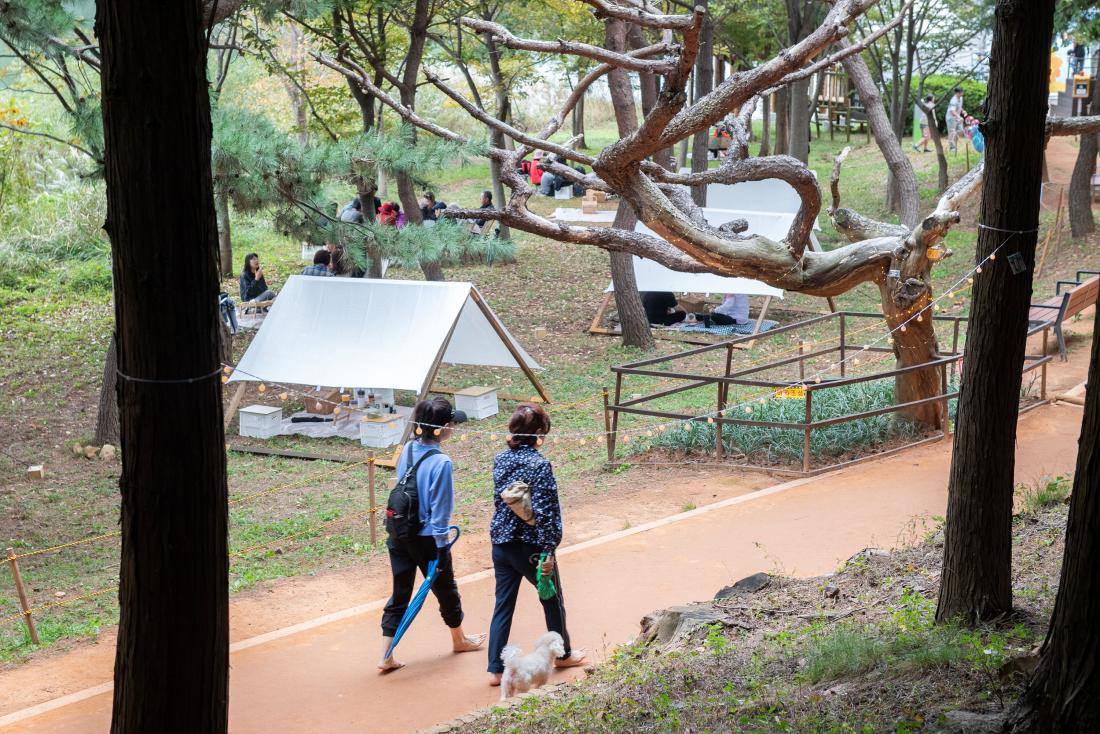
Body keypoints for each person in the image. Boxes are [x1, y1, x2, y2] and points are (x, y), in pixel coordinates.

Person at [379, 397, 485, 672]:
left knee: (400, 591)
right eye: (452, 423)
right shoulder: (442, 462)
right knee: (445, 588)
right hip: (426, 537)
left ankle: (386, 654)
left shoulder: (408, 450)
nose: (454, 427)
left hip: (399, 530)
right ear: (442, 428)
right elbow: (440, 511)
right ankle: (459, 640)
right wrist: (441, 548)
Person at [486, 404, 586, 686]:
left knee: (503, 604)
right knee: (552, 599)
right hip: (530, 547)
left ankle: (495, 668)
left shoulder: (500, 459)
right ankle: (563, 653)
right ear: (539, 433)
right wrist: (549, 550)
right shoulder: (540, 465)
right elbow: (546, 512)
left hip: (501, 543)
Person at [946, 88, 965, 153]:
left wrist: (963, 111)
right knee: (952, 132)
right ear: (957, 93)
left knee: (961, 131)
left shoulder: (961, 98)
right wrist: (959, 117)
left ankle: (954, 137)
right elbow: (952, 111)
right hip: (951, 118)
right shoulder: (953, 100)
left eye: (962, 92)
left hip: (957, 117)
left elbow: (959, 106)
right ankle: (952, 148)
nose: (962, 93)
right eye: (960, 92)